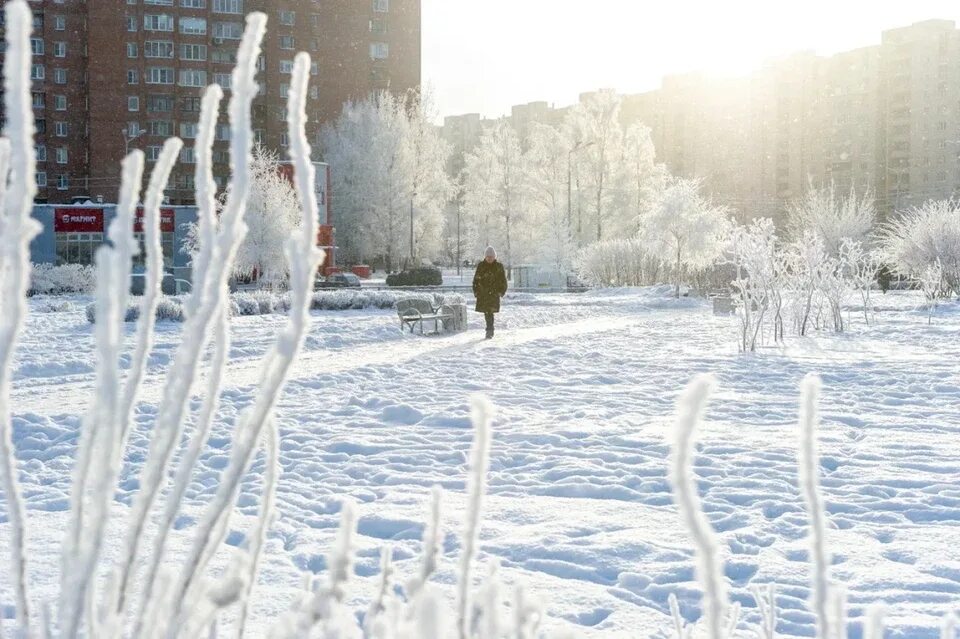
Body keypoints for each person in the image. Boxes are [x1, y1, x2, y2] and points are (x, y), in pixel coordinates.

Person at [472, 246, 508, 339]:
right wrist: (476, 291)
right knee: (487, 312)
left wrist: (501, 292)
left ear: (494, 257)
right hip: (483, 294)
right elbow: (476, 280)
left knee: (489, 312)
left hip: (494, 293)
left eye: (491, 257)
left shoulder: (498, 266)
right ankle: (489, 330)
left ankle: (489, 330)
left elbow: (503, 280)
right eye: (488, 257)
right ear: (485, 257)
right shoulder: (481, 266)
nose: (489, 258)